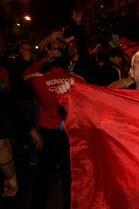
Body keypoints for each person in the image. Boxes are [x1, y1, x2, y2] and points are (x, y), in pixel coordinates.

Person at [23, 47, 85, 209]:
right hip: (69, 134)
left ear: (50, 63)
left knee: (43, 176)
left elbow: (25, 74)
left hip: (47, 134)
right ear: (67, 64)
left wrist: (44, 58)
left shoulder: (39, 79)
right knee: (69, 176)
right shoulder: (78, 79)